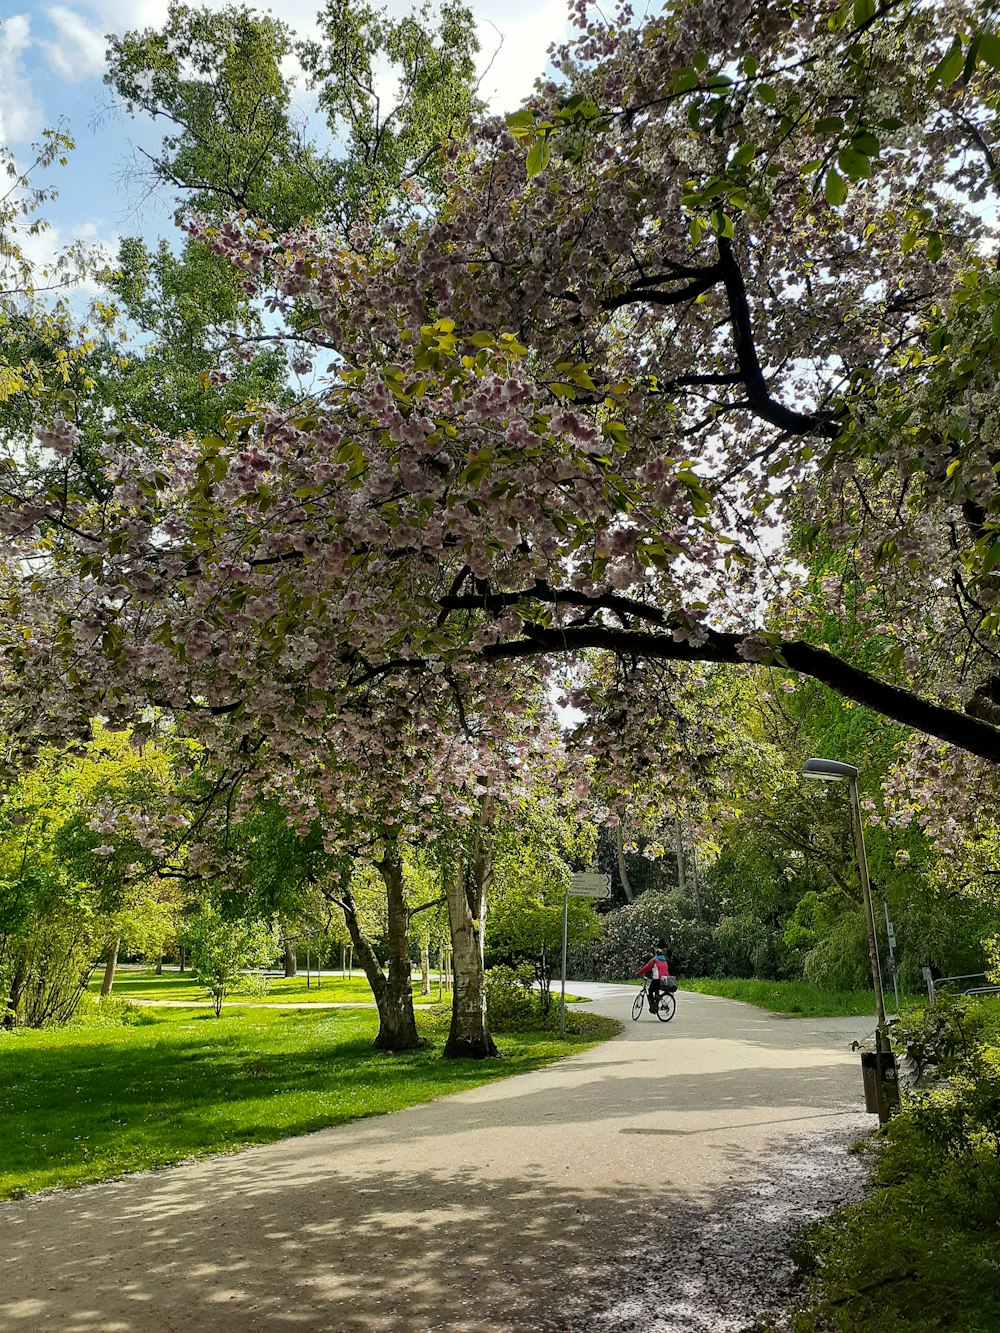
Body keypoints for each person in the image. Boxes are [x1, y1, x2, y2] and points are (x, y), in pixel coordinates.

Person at [637, 944, 671, 1013]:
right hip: (665, 979)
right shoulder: (664, 961)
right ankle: (656, 1004)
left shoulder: (654, 960)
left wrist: (639, 974)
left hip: (657, 979)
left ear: (656, 954)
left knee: (650, 990)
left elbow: (646, 968)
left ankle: (653, 1007)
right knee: (656, 991)